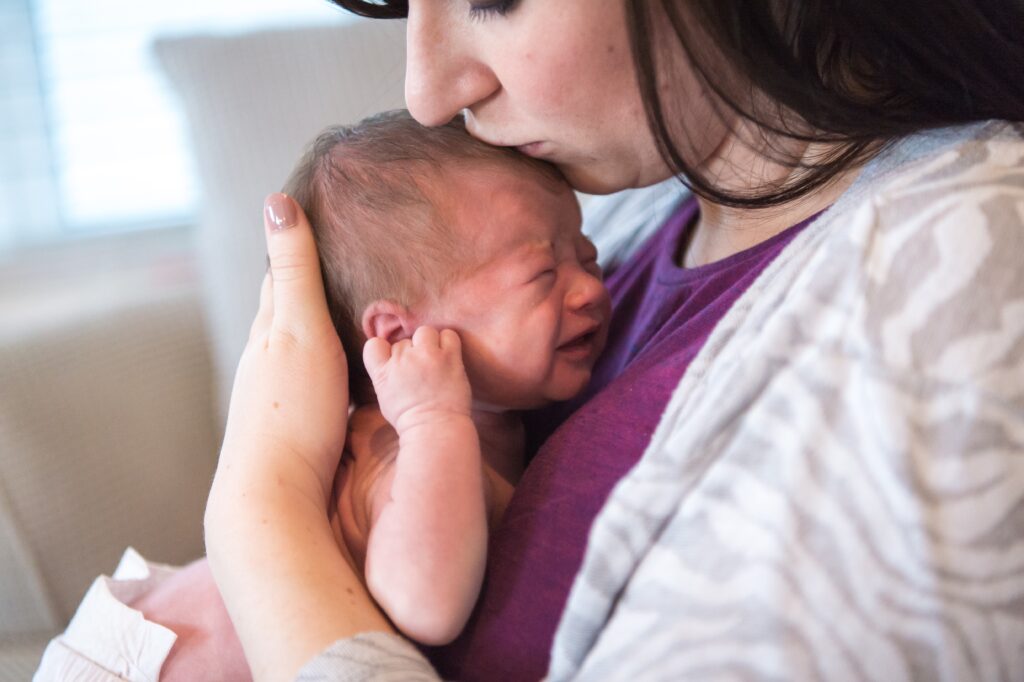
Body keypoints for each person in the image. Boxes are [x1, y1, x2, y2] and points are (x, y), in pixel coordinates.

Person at [60, 0, 1024, 680]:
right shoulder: (661, 207)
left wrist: (259, 513)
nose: (430, 90)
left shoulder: (952, 273)